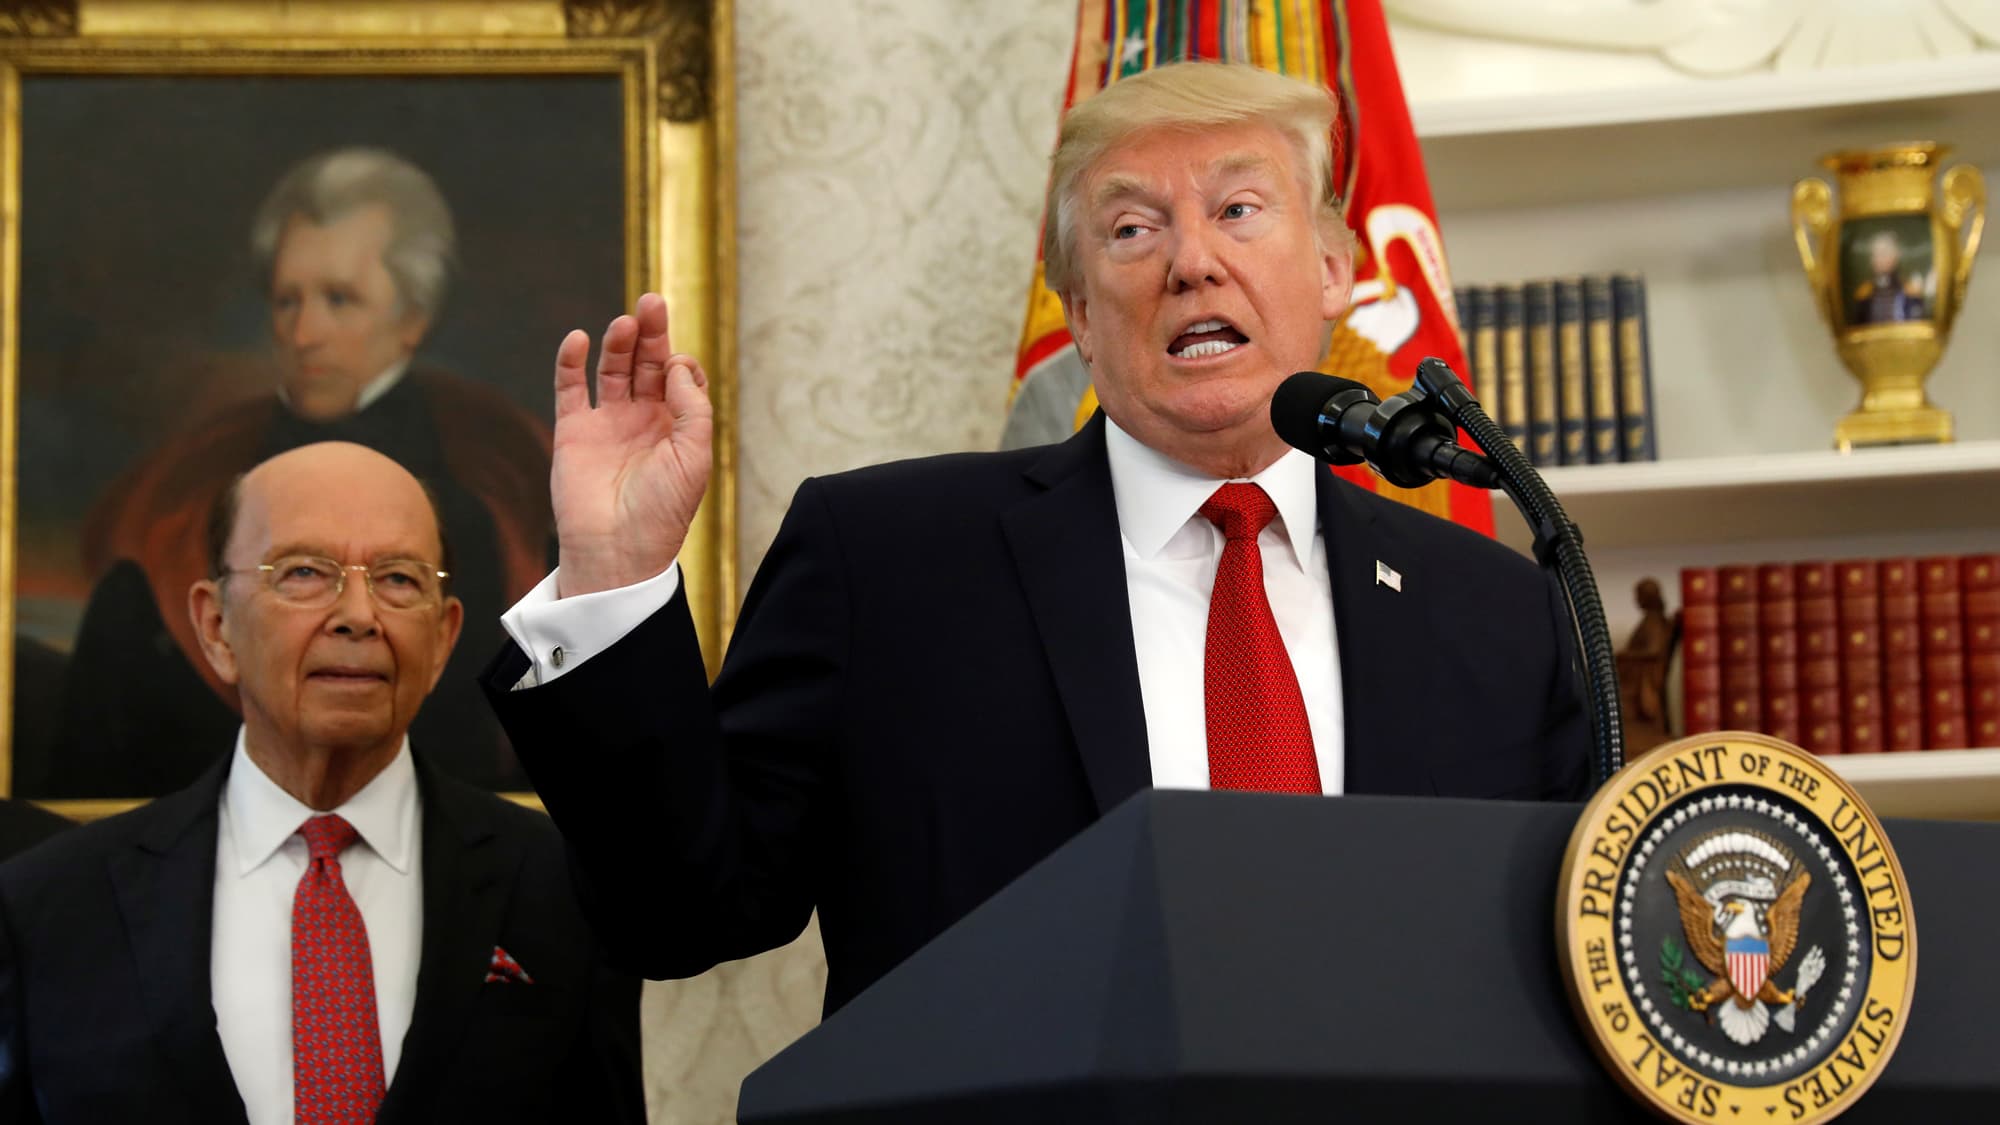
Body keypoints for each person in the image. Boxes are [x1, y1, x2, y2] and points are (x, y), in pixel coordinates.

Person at [483, 62, 1589, 1015]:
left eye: (1239, 209)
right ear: (1077, 307)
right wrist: (611, 575)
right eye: (1130, 229)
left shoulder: (1495, 610)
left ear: (1336, 269)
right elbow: (683, 916)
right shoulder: (884, 563)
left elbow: (1559, 973)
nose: (1193, 262)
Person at [0, 443, 643, 1124]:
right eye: (304, 572)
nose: (359, 615)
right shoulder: (49, 906)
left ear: (442, 638)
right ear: (216, 626)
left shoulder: (561, 888)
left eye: (399, 579)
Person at [31, 148, 550, 798]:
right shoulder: (186, 485)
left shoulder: (479, 499)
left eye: (339, 300)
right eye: (286, 302)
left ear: (413, 319)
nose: (304, 333)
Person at [1849, 229, 1927, 324]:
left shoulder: (1911, 291)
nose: (1878, 259)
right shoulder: (1863, 293)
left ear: (1896, 256)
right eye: (1875, 254)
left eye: (1884, 253)